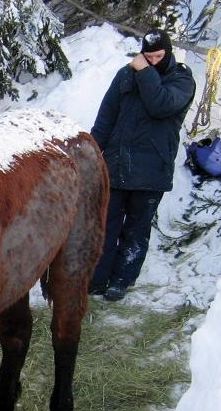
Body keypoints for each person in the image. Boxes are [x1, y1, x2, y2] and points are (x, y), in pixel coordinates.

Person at [89, 28, 196, 301]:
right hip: (116, 165)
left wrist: (144, 72)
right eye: (148, 57)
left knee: (136, 228)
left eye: (158, 56)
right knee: (105, 224)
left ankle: (121, 281)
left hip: (152, 169)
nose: (152, 61)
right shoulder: (125, 75)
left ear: (168, 53)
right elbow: (106, 116)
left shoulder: (181, 79)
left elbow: (160, 105)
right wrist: (91, 151)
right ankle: (98, 279)